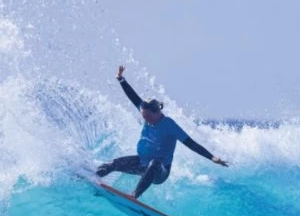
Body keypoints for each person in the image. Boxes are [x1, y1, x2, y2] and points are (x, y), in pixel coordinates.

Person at [96, 65, 228, 199]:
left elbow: (191, 144)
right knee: (113, 164)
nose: (145, 119)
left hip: (159, 172)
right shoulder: (146, 110)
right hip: (142, 163)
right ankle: (93, 177)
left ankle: (134, 196)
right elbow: (134, 97)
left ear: (157, 112)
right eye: (143, 116)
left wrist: (212, 157)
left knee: (154, 163)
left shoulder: (169, 125)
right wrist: (121, 79)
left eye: (147, 116)